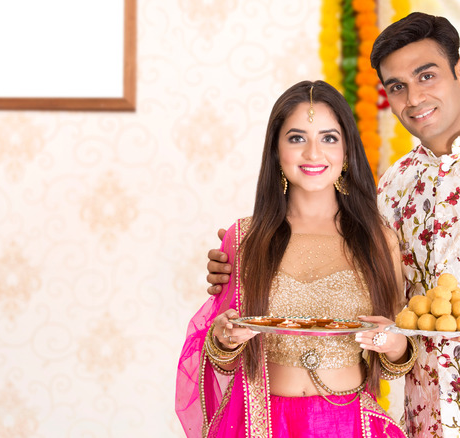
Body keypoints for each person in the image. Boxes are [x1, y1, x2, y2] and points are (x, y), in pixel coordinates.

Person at [205, 13, 460, 438]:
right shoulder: (393, 186)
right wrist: (241, 262)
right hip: (425, 424)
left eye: (427, 75)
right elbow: (368, 282)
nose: (414, 96)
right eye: (397, 86)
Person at [176, 80, 414, 438]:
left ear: (347, 150)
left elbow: (399, 356)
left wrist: (395, 345)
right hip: (260, 425)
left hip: (350, 425)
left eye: (329, 138)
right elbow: (219, 355)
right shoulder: (244, 239)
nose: (313, 153)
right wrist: (224, 339)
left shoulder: (378, 241)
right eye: (297, 138)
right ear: (276, 150)